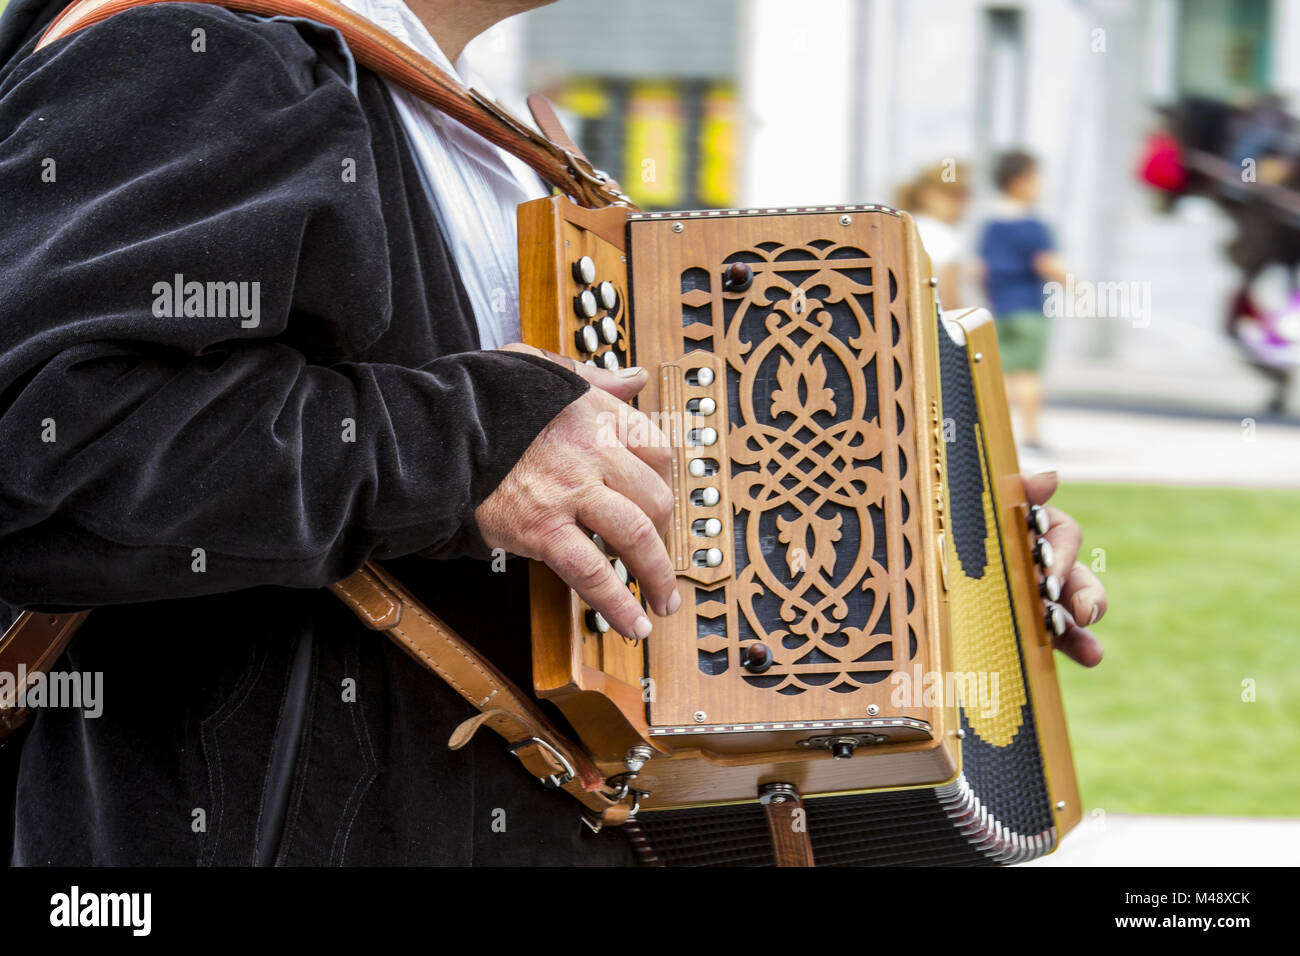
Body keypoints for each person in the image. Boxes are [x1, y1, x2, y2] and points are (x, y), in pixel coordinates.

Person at [0, 0, 1107, 866]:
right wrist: (472, 444)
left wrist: (949, 571)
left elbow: (604, 509)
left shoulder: (479, 132)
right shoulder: (203, 56)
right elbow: (46, 438)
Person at [978, 150, 1068, 451]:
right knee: (1028, 375)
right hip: (1029, 309)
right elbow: (1047, 264)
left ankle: (994, 434)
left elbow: (980, 269)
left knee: (1002, 374)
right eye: (1035, 178)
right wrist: (1078, 289)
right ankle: (1031, 436)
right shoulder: (1033, 226)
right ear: (1019, 181)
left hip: (1001, 309)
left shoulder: (991, 225)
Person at [896, 160, 972, 308]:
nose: (964, 202)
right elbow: (947, 290)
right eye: (956, 195)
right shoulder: (940, 234)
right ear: (928, 195)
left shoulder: (907, 226)